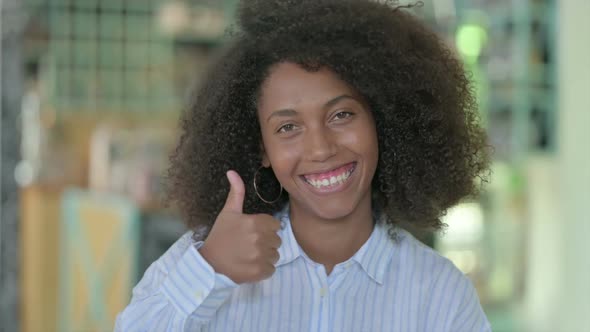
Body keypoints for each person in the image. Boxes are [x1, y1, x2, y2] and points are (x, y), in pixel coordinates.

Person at [115, 0, 492, 331]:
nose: (320, 148)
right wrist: (211, 268)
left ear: (382, 120)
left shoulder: (440, 294)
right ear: (259, 146)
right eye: (288, 127)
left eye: (341, 114)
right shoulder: (202, 259)